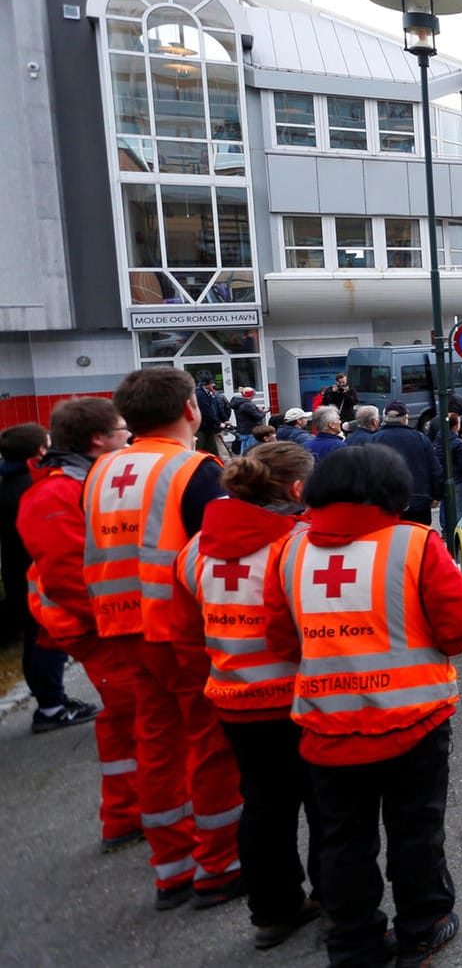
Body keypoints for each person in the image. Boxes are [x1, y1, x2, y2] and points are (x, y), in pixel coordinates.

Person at [262, 445, 462, 968]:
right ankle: (423, 928)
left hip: (327, 729)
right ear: (393, 493)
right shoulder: (417, 546)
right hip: (415, 724)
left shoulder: (287, 553)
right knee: (416, 831)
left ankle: (353, 942)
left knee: (341, 839)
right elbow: (459, 631)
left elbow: (280, 641)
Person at [82, 368, 244, 909]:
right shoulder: (194, 470)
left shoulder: (101, 471)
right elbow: (223, 556)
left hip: (120, 626)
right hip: (180, 630)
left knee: (155, 742)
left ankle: (171, 868)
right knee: (211, 742)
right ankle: (219, 866)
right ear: (192, 410)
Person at [173, 443, 322, 950]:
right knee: (327, 805)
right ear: (298, 489)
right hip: (303, 698)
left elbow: (186, 631)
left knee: (262, 805)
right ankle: (337, 901)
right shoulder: (302, 543)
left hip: (235, 699)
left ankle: (273, 912)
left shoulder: (194, 549)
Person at [17, 399, 135, 853]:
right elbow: (71, 577)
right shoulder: (54, 493)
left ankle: (134, 813)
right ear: (96, 439)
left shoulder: (78, 483)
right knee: (130, 720)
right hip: (96, 628)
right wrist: (119, 619)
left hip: (104, 623)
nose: (128, 436)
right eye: (122, 430)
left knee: (135, 719)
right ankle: (127, 816)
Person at [3, 422, 100, 732]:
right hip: (39, 572)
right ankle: (51, 707)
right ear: (41, 450)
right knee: (48, 639)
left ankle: (48, 699)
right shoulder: (30, 485)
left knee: (36, 638)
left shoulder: (8, 480)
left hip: (19, 571)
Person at [367, 402, 443, 525]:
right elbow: (434, 469)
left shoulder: (374, 439)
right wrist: (436, 495)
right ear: (405, 418)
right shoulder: (420, 438)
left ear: (385, 418)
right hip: (418, 501)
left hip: (385, 503)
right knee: (418, 539)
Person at [425, 402, 462, 551]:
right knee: (457, 507)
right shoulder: (458, 443)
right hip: (458, 479)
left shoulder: (439, 438)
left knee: (445, 505)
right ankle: (455, 532)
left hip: (444, 477)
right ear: (456, 426)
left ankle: (445, 530)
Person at [194, 376, 230, 456]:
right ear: (206, 384)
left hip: (210, 427)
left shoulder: (210, 394)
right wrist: (218, 423)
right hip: (202, 427)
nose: (213, 385)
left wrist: (225, 420)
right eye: (211, 383)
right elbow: (206, 411)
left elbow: (217, 408)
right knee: (200, 450)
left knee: (212, 450)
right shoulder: (200, 394)